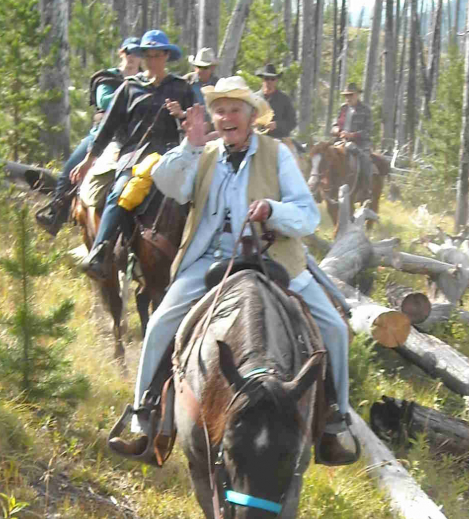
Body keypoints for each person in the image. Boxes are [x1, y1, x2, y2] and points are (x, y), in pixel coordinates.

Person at [108, 75, 358, 466]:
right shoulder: (202, 152)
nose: (226, 118)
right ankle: (146, 417)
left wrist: (274, 211)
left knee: (334, 328)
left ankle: (334, 423)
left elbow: (308, 215)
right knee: (160, 324)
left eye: (235, 110)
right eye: (219, 110)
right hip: (209, 258)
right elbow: (169, 184)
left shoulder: (277, 154)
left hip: (272, 255)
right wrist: (189, 145)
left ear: (252, 115)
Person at [78, 29, 194, 280]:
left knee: (202, 197)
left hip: (173, 157)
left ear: (166, 56)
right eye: (148, 55)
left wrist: (182, 116)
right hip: (135, 157)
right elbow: (108, 125)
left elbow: (200, 122)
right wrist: (90, 158)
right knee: (119, 192)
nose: (152, 60)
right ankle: (101, 249)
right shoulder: (130, 88)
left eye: (157, 55)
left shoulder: (182, 88)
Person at [36, 38, 141, 237]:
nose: (133, 58)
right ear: (122, 53)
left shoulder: (146, 81)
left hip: (134, 137)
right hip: (103, 136)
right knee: (71, 169)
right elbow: (105, 100)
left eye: (137, 54)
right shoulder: (108, 78)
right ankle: (56, 212)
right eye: (129, 53)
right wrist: (133, 94)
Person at [331, 81, 373, 191]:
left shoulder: (366, 110)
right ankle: (321, 188)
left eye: (351, 95)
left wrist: (352, 135)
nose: (348, 98)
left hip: (359, 144)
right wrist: (336, 129)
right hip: (340, 141)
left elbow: (368, 131)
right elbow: (335, 124)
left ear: (357, 95)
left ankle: (366, 190)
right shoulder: (343, 108)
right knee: (324, 155)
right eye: (346, 96)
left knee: (365, 161)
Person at [255, 62, 297, 141]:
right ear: (262, 80)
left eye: (272, 79)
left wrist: (277, 125)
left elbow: (292, 122)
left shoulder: (284, 99)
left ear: (276, 80)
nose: (269, 82)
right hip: (257, 139)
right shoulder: (254, 99)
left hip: (279, 139)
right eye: (266, 78)